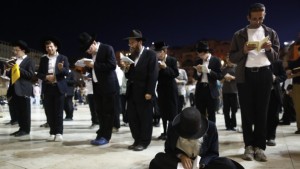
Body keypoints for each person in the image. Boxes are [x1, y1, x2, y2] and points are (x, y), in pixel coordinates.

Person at [229, 3, 280, 161]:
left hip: (264, 75)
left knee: (262, 112)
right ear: (248, 17)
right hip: (246, 76)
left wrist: (269, 49)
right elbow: (232, 57)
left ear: (264, 16)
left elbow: (276, 57)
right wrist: (243, 51)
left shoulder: (270, 32)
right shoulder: (239, 35)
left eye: (261, 18)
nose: (258, 21)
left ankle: (260, 147)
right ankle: (248, 146)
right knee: (246, 113)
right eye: (255, 18)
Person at [149, 107, 244, 169]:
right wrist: (181, 156)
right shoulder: (173, 127)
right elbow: (168, 150)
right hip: (180, 163)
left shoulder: (211, 127)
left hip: (202, 164)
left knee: (227, 164)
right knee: (158, 158)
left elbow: (213, 153)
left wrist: (201, 164)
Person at [78, 32, 119, 147]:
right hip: (97, 86)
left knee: (108, 112)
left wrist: (93, 65)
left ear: (94, 43)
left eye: (88, 48)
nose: (88, 51)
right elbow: (95, 69)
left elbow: (112, 65)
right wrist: (87, 68)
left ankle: (106, 136)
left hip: (108, 86)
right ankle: (101, 133)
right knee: (100, 112)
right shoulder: (92, 54)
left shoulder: (107, 48)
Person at [122, 29, 159, 151]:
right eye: (129, 43)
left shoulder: (150, 55)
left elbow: (153, 75)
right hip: (132, 92)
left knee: (145, 118)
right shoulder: (131, 57)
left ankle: (144, 141)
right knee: (133, 118)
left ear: (139, 42)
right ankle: (136, 140)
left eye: (132, 43)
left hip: (144, 92)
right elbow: (128, 76)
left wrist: (150, 91)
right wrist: (126, 69)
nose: (130, 45)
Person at [37, 36, 69, 142]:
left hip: (58, 87)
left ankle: (59, 132)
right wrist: (46, 77)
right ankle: (52, 132)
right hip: (47, 88)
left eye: (51, 46)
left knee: (58, 111)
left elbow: (66, 73)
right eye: (47, 47)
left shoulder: (63, 58)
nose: (49, 49)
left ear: (56, 47)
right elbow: (40, 73)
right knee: (49, 111)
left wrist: (61, 69)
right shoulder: (43, 59)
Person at [7, 40, 35, 137]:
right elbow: (11, 75)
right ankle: (21, 128)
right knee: (18, 110)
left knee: (25, 110)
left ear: (23, 50)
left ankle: (26, 129)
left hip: (24, 88)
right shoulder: (15, 60)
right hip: (14, 88)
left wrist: (18, 68)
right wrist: (8, 69)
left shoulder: (29, 60)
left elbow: (30, 75)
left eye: (16, 50)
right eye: (13, 50)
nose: (14, 52)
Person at [153, 41, 179, 140]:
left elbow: (175, 74)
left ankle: (172, 133)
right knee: (163, 111)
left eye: (158, 52)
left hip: (171, 89)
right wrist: (157, 70)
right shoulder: (155, 62)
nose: (157, 54)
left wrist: (166, 68)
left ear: (164, 51)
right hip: (161, 89)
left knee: (172, 112)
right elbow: (154, 77)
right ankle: (164, 132)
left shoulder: (172, 60)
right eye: (156, 52)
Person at [193, 41, 222, 123]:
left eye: (201, 54)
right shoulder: (198, 61)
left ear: (206, 52)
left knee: (211, 113)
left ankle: (211, 134)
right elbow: (194, 77)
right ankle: (203, 132)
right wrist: (198, 72)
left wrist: (209, 71)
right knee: (201, 113)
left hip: (211, 90)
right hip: (200, 89)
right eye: (198, 54)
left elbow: (220, 76)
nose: (200, 56)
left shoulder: (216, 60)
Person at [266, 60, 287, 146]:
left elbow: (284, 76)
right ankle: (262, 136)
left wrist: (276, 78)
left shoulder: (277, 62)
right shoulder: (258, 60)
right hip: (261, 93)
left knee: (274, 116)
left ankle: (271, 137)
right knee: (262, 116)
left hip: (274, 93)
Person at [284, 46, 300, 134]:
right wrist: (288, 70)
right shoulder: (295, 62)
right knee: (298, 108)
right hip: (297, 86)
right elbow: (287, 69)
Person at [221, 56, 238, 131]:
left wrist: (232, 77)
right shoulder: (224, 69)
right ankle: (227, 125)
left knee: (234, 109)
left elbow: (240, 78)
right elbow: (220, 79)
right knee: (226, 110)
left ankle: (233, 125)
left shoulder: (236, 68)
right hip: (225, 91)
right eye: (228, 60)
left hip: (234, 91)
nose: (229, 61)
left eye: (230, 60)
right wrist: (224, 78)